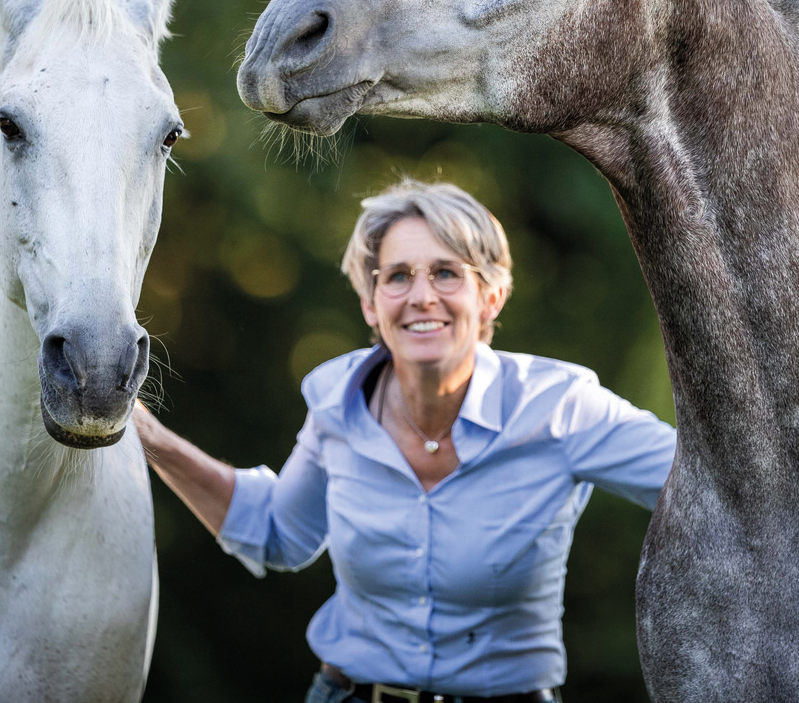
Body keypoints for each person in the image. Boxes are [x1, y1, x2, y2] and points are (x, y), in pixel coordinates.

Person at [134, 179, 676, 703]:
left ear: (491, 297)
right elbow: (279, 531)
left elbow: (713, 486)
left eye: (445, 273)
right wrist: (146, 434)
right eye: (397, 277)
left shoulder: (560, 408)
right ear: (371, 304)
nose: (421, 297)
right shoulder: (335, 404)